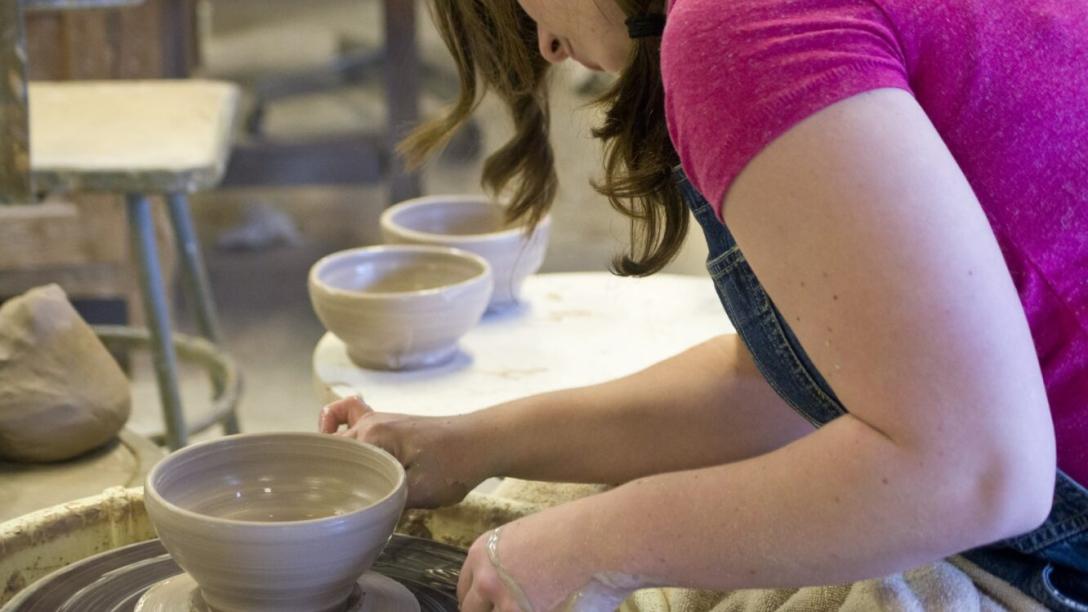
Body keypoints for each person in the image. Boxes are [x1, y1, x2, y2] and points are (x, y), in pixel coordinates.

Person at [319, 0, 1088, 609]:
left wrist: (593, 547)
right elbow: (813, 380)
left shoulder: (742, 25)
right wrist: (474, 446)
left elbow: (974, 471)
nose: (546, 48)